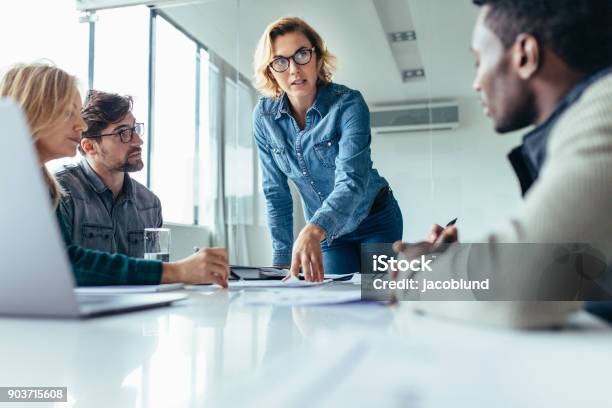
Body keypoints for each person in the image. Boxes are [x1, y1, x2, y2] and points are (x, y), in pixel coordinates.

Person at [394, 0, 612, 301]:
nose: (476, 83)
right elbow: (570, 270)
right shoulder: (573, 128)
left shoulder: (605, 111)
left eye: (479, 61)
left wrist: (416, 272)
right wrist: (461, 264)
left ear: (525, 54)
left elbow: (530, 284)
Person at [0, 62, 229, 287]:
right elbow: (64, 265)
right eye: (68, 113)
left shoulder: (42, 183)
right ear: (34, 112)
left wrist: (177, 272)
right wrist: (177, 271)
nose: (80, 125)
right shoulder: (47, 187)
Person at [253, 17, 403, 281]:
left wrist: (313, 228)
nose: (294, 70)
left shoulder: (349, 104)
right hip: (329, 235)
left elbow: (352, 181)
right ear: (270, 71)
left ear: (318, 58)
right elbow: (275, 193)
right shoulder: (264, 118)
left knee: (377, 300)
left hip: (376, 219)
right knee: (335, 308)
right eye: (280, 61)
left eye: (302, 54)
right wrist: (280, 262)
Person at [55, 90, 162, 258]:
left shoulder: (150, 204)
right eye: (123, 133)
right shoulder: (60, 193)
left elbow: (156, 271)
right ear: (89, 147)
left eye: (135, 129)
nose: (138, 141)